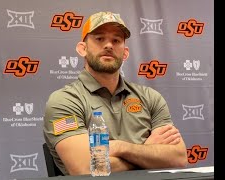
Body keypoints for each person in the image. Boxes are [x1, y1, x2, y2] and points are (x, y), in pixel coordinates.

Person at [43, 11, 188, 176]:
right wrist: (148, 152)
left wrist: (120, 147)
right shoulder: (65, 100)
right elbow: (85, 168)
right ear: (82, 49)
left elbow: (179, 157)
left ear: (125, 53)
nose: (109, 45)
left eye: (116, 40)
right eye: (99, 38)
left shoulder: (150, 97)